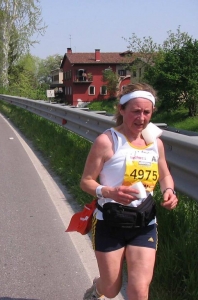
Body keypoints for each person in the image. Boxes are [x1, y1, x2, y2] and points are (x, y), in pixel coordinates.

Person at [80, 83, 178, 300]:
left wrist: (169, 190)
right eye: (135, 111)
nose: (141, 118)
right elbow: (86, 181)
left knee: (139, 290)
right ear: (121, 109)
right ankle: (97, 288)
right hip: (110, 222)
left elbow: (165, 175)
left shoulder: (155, 143)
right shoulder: (106, 142)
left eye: (146, 112)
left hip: (144, 223)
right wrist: (108, 191)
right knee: (111, 289)